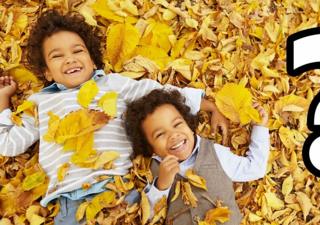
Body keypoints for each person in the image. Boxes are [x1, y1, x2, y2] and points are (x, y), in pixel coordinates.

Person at [0, 10, 228, 225]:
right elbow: (8, 144)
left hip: (119, 191)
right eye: (57, 56)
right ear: (47, 71)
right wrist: (3, 99)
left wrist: (210, 107)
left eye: (77, 51)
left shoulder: (112, 84)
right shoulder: (40, 102)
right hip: (70, 202)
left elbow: (157, 94)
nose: (69, 59)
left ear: (92, 59)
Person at [125, 89, 270, 225]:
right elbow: (149, 216)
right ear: (151, 149)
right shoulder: (152, 170)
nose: (173, 135)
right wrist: (162, 185)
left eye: (177, 124)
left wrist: (260, 127)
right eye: (160, 134)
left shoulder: (215, 153)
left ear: (189, 124)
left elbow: (254, 168)